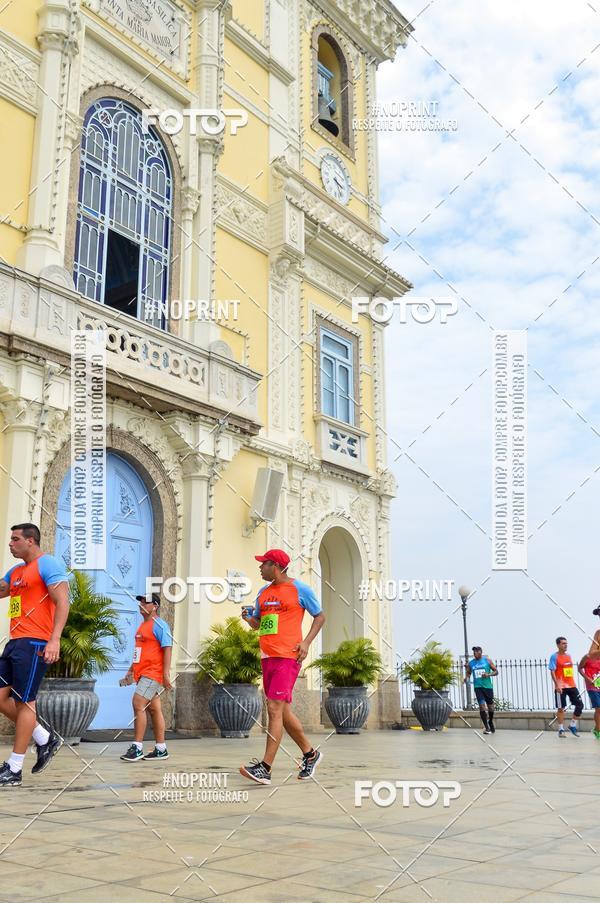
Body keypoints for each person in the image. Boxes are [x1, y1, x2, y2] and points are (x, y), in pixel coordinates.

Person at [240, 549, 325, 785]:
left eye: (263, 564)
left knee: (274, 708)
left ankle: (265, 768)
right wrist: (249, 619)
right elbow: (258, 625)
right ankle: (311, 754)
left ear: (275, 566)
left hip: (288, 656)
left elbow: (320, 616)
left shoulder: (300, 589)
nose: (259, 568)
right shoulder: (263, 592)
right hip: (267, 657)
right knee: (283, 711)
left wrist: (306, 643)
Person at [0, 523, 69, 786]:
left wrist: (54, 640)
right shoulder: (16, 571)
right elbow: (2, 590)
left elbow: (63, 601)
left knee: (25, 702)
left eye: (15, 539)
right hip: (15, 642)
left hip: (36, 643)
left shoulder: (47, 564)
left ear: (31, 541)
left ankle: (14, 769)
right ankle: (44, 737)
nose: (10, 543)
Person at [120, 593, 173, 762]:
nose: (141, 604)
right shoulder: (143, 626)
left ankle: (137, 747)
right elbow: (139, 652)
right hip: (143, 674)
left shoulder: (160, 625)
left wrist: (165, 674)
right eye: (141, 601)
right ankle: (161, 749)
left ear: (155, 606)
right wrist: (130, 671)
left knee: (138, 703)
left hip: (153, 673)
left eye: (146, 602)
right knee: (153, 709)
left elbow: (168, 648)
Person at [549, 637, 583, 737]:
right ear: (558, 645)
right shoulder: (554, 657)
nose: (566, 645)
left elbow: (568, 671)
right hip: (560, 687)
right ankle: (561, 730)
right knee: (561, 708)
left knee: (580, 705)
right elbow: (552, 671)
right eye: (563, 643)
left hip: (571, 685)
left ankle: (572, 725)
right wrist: (557, 685)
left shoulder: (569, 656)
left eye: (566, 643)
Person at [465, 646, 498, 734]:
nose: (474, 653)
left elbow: (496, 671)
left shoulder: (487, 661)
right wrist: (466, 679)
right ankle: (486, 727)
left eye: (476, 651)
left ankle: (490, 721)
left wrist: (488, 674)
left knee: (490, 707)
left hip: (488, 687)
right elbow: (468, 674)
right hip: (478, 687)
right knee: (482, 706)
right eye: (474, 652)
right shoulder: (471, 663)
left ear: (480, 652)